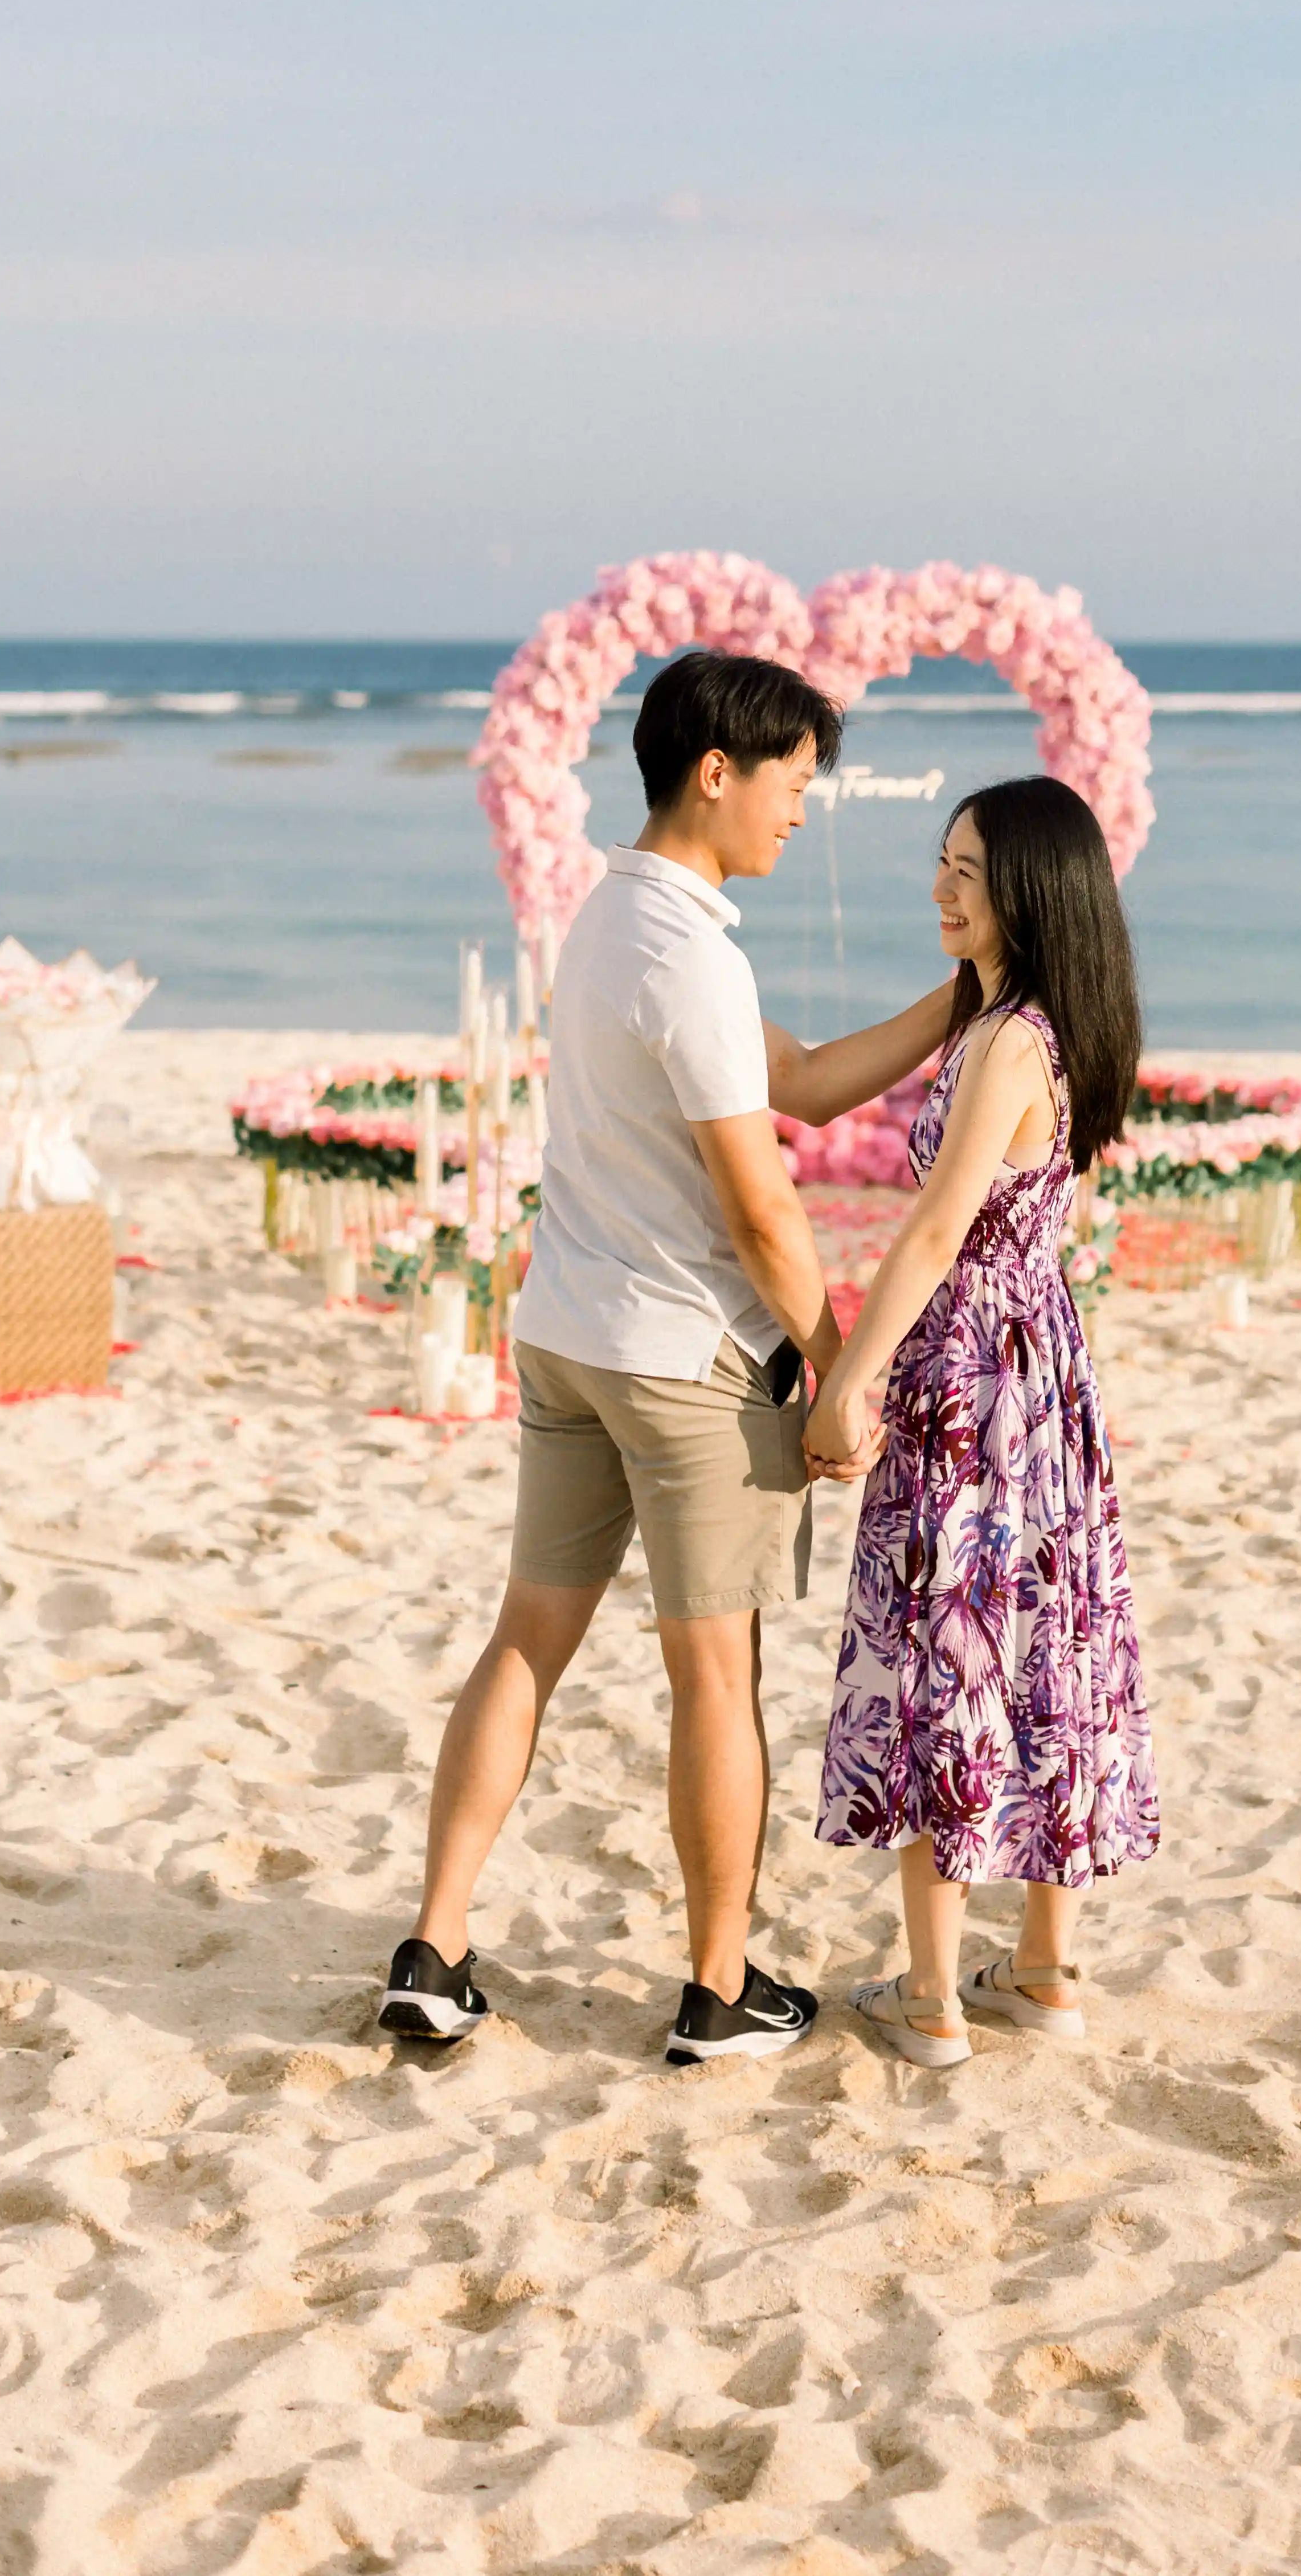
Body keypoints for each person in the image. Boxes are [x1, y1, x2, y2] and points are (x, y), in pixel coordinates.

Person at [379, 647, 946, 2062]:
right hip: (685, 1361)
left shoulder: (610, 918)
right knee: (714, 1678)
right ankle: (716, 1988)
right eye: (791, 783)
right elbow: (760, 1209)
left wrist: (964, 995)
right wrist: (835, 1364)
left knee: (526, 1641)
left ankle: (433, 1952)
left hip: (568, 1337)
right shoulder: (690, 957)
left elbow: (799, 1080)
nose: (800, 812)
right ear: (715, 772)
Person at [808, 775, 1162, 2068]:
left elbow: (933, 1231)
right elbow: (832, 1082)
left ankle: (931, 1996)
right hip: (1041, 1365)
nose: (940, 888)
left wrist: (849, 1377)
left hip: (971, 1369)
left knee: (943, 1649)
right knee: (1047, 1638)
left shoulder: (1008, 1040)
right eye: (943, 861)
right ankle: (1045, 1969)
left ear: (1028, 888)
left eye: (966, 870)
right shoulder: (1034, 1021)